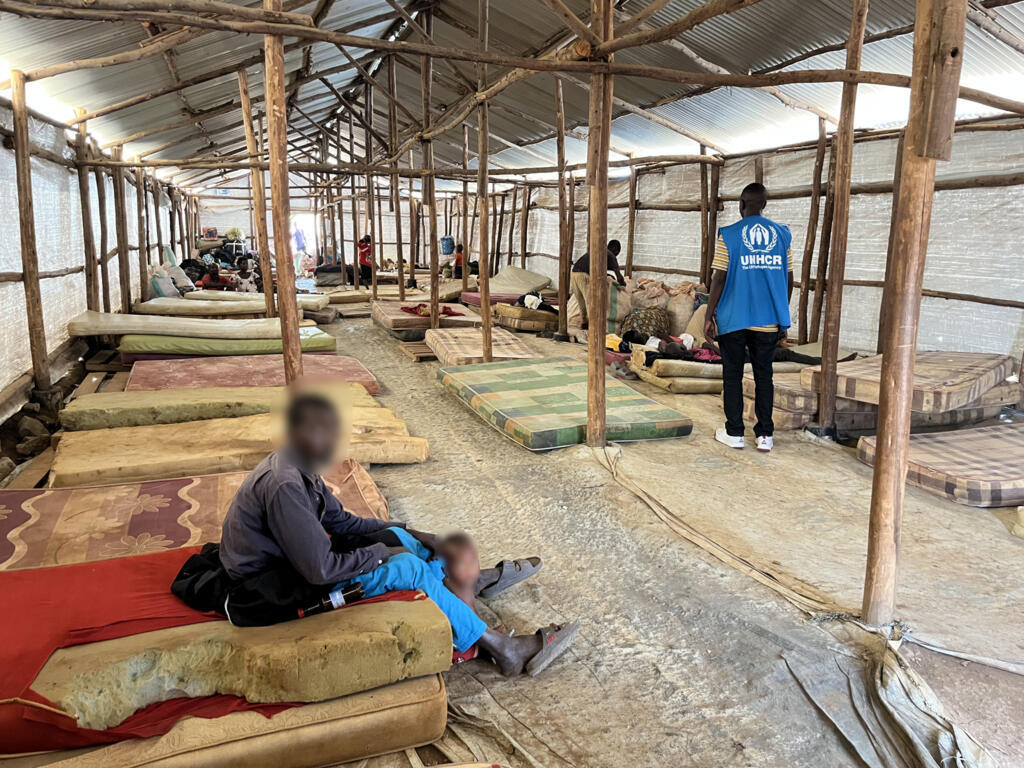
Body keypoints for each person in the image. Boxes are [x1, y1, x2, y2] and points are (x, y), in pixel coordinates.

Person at [174, 393, 578, 677]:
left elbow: (345, 523)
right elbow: (320, 570)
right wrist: (380, 556)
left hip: (291, 566)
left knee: (404, 544)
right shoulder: (285, 487)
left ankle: (467, 584)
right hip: (269, 589)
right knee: (405, 567)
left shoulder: (300, 467)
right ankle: (502, 648)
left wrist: (409, 531)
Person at [704, 182, 793, 453]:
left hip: (734, 317)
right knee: (764, 376)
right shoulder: (782, 235)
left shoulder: (729, 235)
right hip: (768, 320)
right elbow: (789, 279)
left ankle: (735, 434)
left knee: (732, 374)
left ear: (741, 205)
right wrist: (782, 315)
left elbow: (719, 277)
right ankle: (765, 435)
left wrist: (709, 315)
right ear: (764, 204)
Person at [570, 239, 625, 328]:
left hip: (574, 273)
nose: (617, 254)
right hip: (584, 275)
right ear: (615, 249)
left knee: (581, 302)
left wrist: (607, 275)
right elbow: (619, 276)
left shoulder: (599, 251)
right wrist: (623, 285)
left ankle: (584, 323)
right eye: (618, 252)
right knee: (590, 301)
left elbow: (598, 269)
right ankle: (593, 327)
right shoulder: (611, 255)